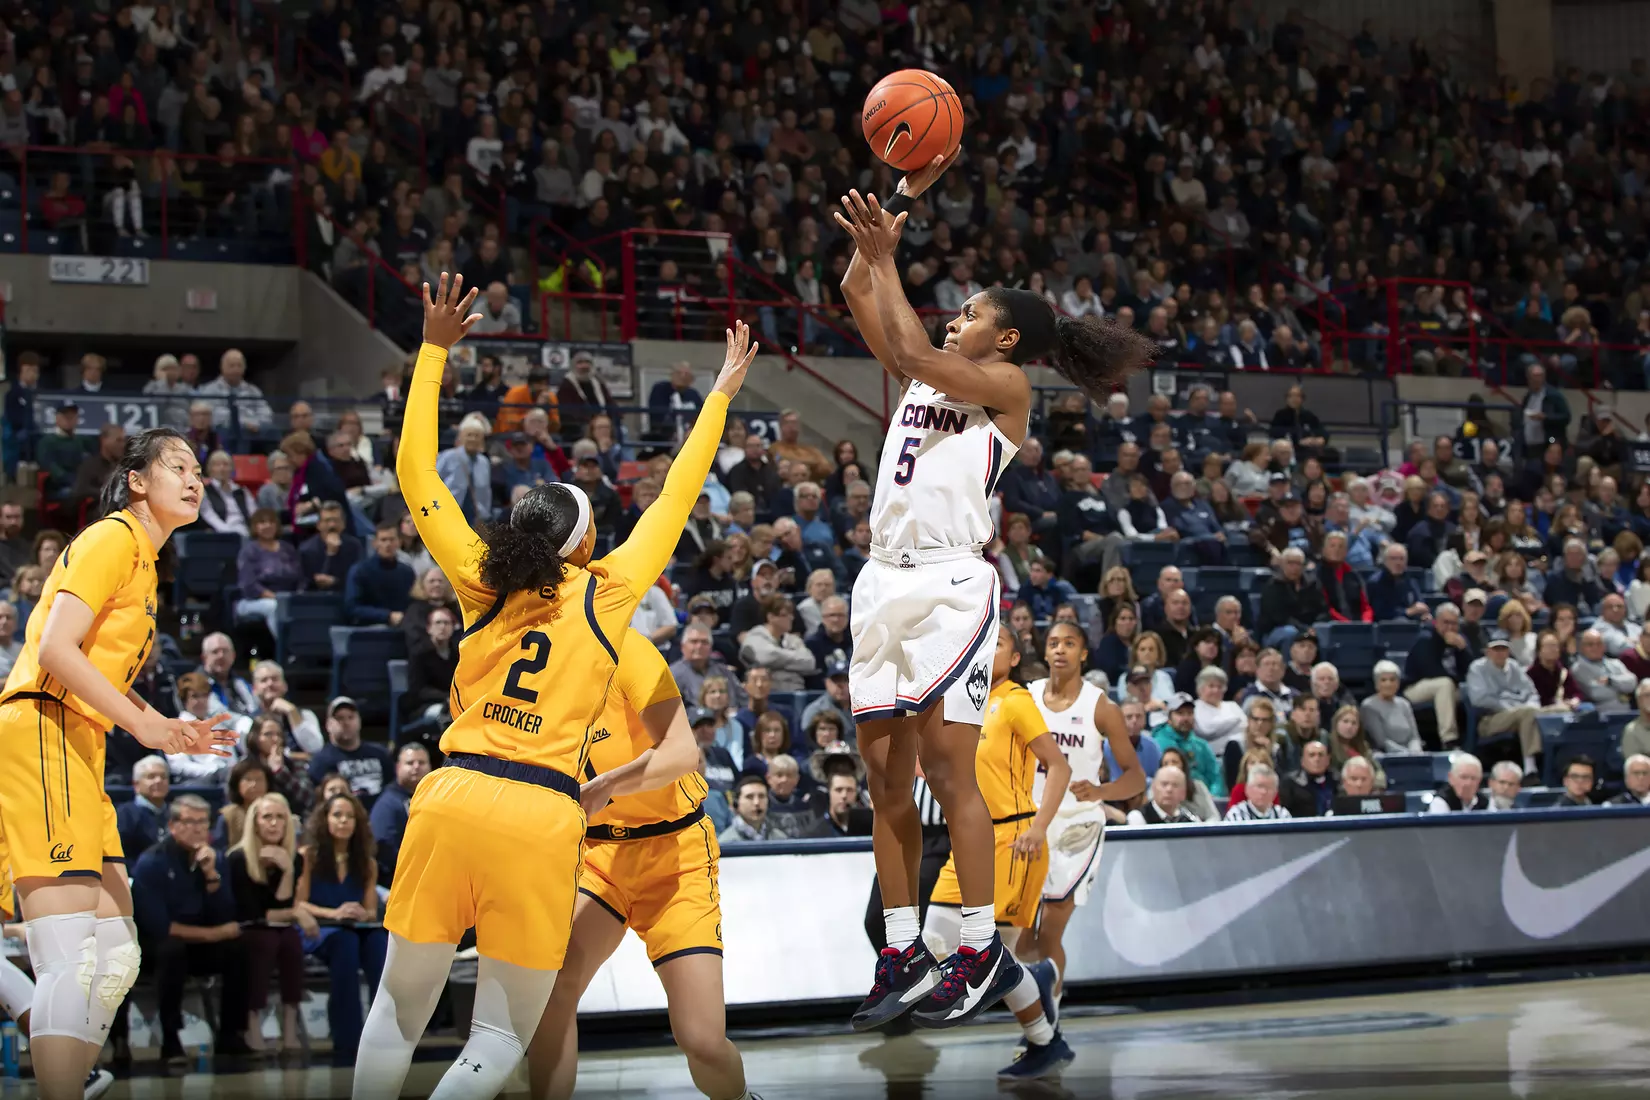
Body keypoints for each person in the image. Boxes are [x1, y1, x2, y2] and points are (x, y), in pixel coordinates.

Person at [351, 277, 756, 1100]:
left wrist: (432, 351)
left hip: (448, 791)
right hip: (542, 814)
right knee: (500, 1033)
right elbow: (677, 491)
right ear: (584, 544)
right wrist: (717, 396)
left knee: (397, 1013)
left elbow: (413, 468)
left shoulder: (478, 579)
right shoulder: (606, 593)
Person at [833, 176, 1154, 1032]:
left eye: (968, 311)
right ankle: (901, 950)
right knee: (884, 779)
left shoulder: (1005, 386)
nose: (954, 318)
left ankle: (975, 948)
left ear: (1004, 337)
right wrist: (888, 212)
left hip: (947, 583)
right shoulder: (927, 379)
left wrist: (889, 259)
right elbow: (857, 292)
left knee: (945, 767)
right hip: (881, 577)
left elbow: (904, 346)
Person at [0, 428, 235, 1098]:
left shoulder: (145, 560)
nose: (194, 478)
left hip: (78, 739)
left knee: (116, 953)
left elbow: (95, 665)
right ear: (137, 479)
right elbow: (52, 648)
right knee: (70, 956)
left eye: (199, 469)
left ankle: (70, 1079)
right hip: (40, 727)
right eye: (177, 466)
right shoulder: (112, 537)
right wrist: (148, 726)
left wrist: (168, 726)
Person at [922, 623, 1074, 1079]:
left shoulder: (1016, 701)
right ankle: (1039, 980)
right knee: (935, 939)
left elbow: (1060, 768)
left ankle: (1046, 1043)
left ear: (1013, 660)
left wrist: (1039, 827)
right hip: (968, 841)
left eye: (999, 644)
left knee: (992, 960)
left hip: (1013, 840)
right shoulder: (964, 704)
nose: (988, 651)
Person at [1022, 623, 1145, 1004]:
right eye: (1054, 643)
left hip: (1077, 826)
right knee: (1021, 939)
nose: (1060, 650)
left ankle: (1050, 1018)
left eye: (1070, 643)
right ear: (1044, 653)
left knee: (1049, 934)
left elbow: (1136, 778)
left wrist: (1101, 791)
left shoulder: (1101, 707)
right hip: (1028, 823)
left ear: (1084, 654)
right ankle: (1036, 1015)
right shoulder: (1024, 699)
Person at [129, 795, 249, 1061]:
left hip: (197, 945)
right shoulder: (152, 863)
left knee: (238, 948)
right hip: (154, 948)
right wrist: (214, 934)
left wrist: (211, 877)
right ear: (173, 826)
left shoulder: (215, 859)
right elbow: (161, 927)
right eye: (190, 822)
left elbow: (226, 915)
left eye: (203, 822)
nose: (197, 828)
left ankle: (231, 1035)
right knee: (171, 950)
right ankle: (170, 1040)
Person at [296, 793, 386, 1059]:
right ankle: (348, 1039)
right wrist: (335, 913)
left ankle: (383, 1035)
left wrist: (360, 912)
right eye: (337, 815)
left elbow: (371, 911)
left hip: (353, 929)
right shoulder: (307, 856)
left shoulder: (367, 863)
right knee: (344, 944)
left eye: (350, 817)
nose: (344, 821)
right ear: (325, 819)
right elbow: (299, 903)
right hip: (318, 929)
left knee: (379, 942)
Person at [226, 792, 312, 1052]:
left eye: (279, 817)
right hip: (246, 930)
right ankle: (251, 1025)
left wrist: (287, 871)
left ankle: (289, 1026)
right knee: (264, 941)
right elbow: (254, 914)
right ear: (255, 822)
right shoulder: (238, 858)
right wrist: (296, 913)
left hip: (278, 931)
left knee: (290, 941)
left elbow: (282, 906)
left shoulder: (294, 858)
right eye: (267, 817)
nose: (274, 823)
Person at [1464, 633, 1544, 777]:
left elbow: (1532, 693)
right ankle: (1530, 767)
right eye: (1496, 649)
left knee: (1557, 710)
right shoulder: (1477, 668)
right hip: (1490, 720)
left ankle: (1538, 765)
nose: (1500, 653)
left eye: (1503, 649)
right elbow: (1479, 699)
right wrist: (1510, 708)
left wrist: (1533, 707)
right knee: (1527, 713)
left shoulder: (1514, 666)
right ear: (1488, 651)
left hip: (1523, 714)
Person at [1403, 603, 1475, 746]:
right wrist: (1457, 681)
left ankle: (1472, 742)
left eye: (1454, 623)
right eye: (1445, 622)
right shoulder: (1425, 639)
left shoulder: (1460, 640)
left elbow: (1471, 670)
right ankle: (1449, 739)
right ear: (1436, 622)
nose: (1450, 627)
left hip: (1448, 688)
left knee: (1473, 691)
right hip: (1414, 688)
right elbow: (1432, 671)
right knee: (1445, 683)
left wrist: (1463, 650)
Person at [308, 698, 393, 807]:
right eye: (340, 718)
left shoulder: (380, 753)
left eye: (351, 717)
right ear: (328, 725)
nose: (346, 723)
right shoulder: (320, 761)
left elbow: (392, 786)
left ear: (359, 721)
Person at [368, 744, 431, 884]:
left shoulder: (436, 796)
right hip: (399, 881)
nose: (416, 767)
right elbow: (384, 848)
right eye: (410, 763)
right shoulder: (387, 803)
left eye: (422, 762)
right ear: (397, 768)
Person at [344, 520, 418, 626]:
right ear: (375, 543)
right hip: (369, 628)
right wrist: (387, 616)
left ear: (399, 542)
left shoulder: (407, 572)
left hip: (403, 626)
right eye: (383, 540)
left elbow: (413, 604)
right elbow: (352, 608)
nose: (388, 544)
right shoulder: (360, 571)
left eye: (392, 540)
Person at [116, 755, 171, 864]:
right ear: (136, 784)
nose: (158, 781)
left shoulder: (175, 812)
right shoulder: (126, 814)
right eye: (151, 777)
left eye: (163, 776)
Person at [1125, 765, 1202, 825]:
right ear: (1153, 788)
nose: (1169, 790)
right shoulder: (1138, 817)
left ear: (1184, 793)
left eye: (1175, 785)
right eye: (1164, 784)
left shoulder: (1191, 820)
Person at [1279, 740, 1335, 818]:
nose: (1317, 759)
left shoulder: (1336, 780)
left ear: (1328, 759)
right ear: (1302, 760)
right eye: (1312, 755)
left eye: (1321, 755)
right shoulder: (1290, 783)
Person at [1222, 764, 1291, 821]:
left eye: (1269, 787)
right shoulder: (1235, 815)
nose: (1263, 792)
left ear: (1275, 792)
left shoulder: (1283, 815)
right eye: (1260, 786)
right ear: (1247, 789)